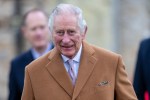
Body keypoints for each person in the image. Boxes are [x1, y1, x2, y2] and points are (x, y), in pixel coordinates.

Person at [21, 4, 137, 100]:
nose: (66, 40)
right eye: (60, 32)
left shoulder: (112, 62)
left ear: (83, 32)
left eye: (71, 32)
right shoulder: (33, 72)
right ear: (51, 33)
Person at [8, 8, 54, 100]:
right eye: (33, 29)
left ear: (50, 28)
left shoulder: (64, 56)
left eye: (42, 27)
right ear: (24, 32)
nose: (38, 33)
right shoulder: (17, 64)